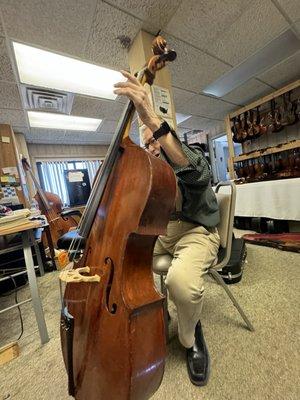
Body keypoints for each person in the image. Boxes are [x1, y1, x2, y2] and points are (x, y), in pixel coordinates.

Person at [114, 71, 220, 386]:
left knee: (181, 284)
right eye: (148, 144)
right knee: (123, 261)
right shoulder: (150, 174)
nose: (154, 148)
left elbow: (198, 175)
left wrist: (154, 123)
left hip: (196, 231)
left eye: (157, 140)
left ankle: (190, 336)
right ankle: (157, 315)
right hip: (164, 235)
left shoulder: (189, 156)